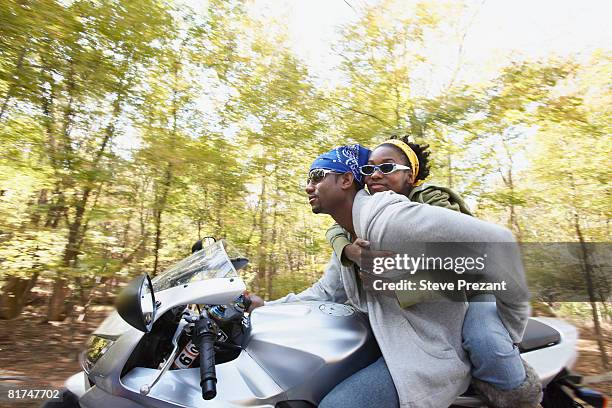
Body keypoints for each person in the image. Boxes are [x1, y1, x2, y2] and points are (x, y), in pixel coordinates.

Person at [249, 144, 534, 408]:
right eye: (369, 169)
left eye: (317, 175)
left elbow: (499, 245)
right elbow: (326, 292)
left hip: (432, 347)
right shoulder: (351, 234)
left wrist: (510, 329)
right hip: (391, 340)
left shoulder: (394, 218)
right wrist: (266, 308)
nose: (308, 186)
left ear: (346, 181)